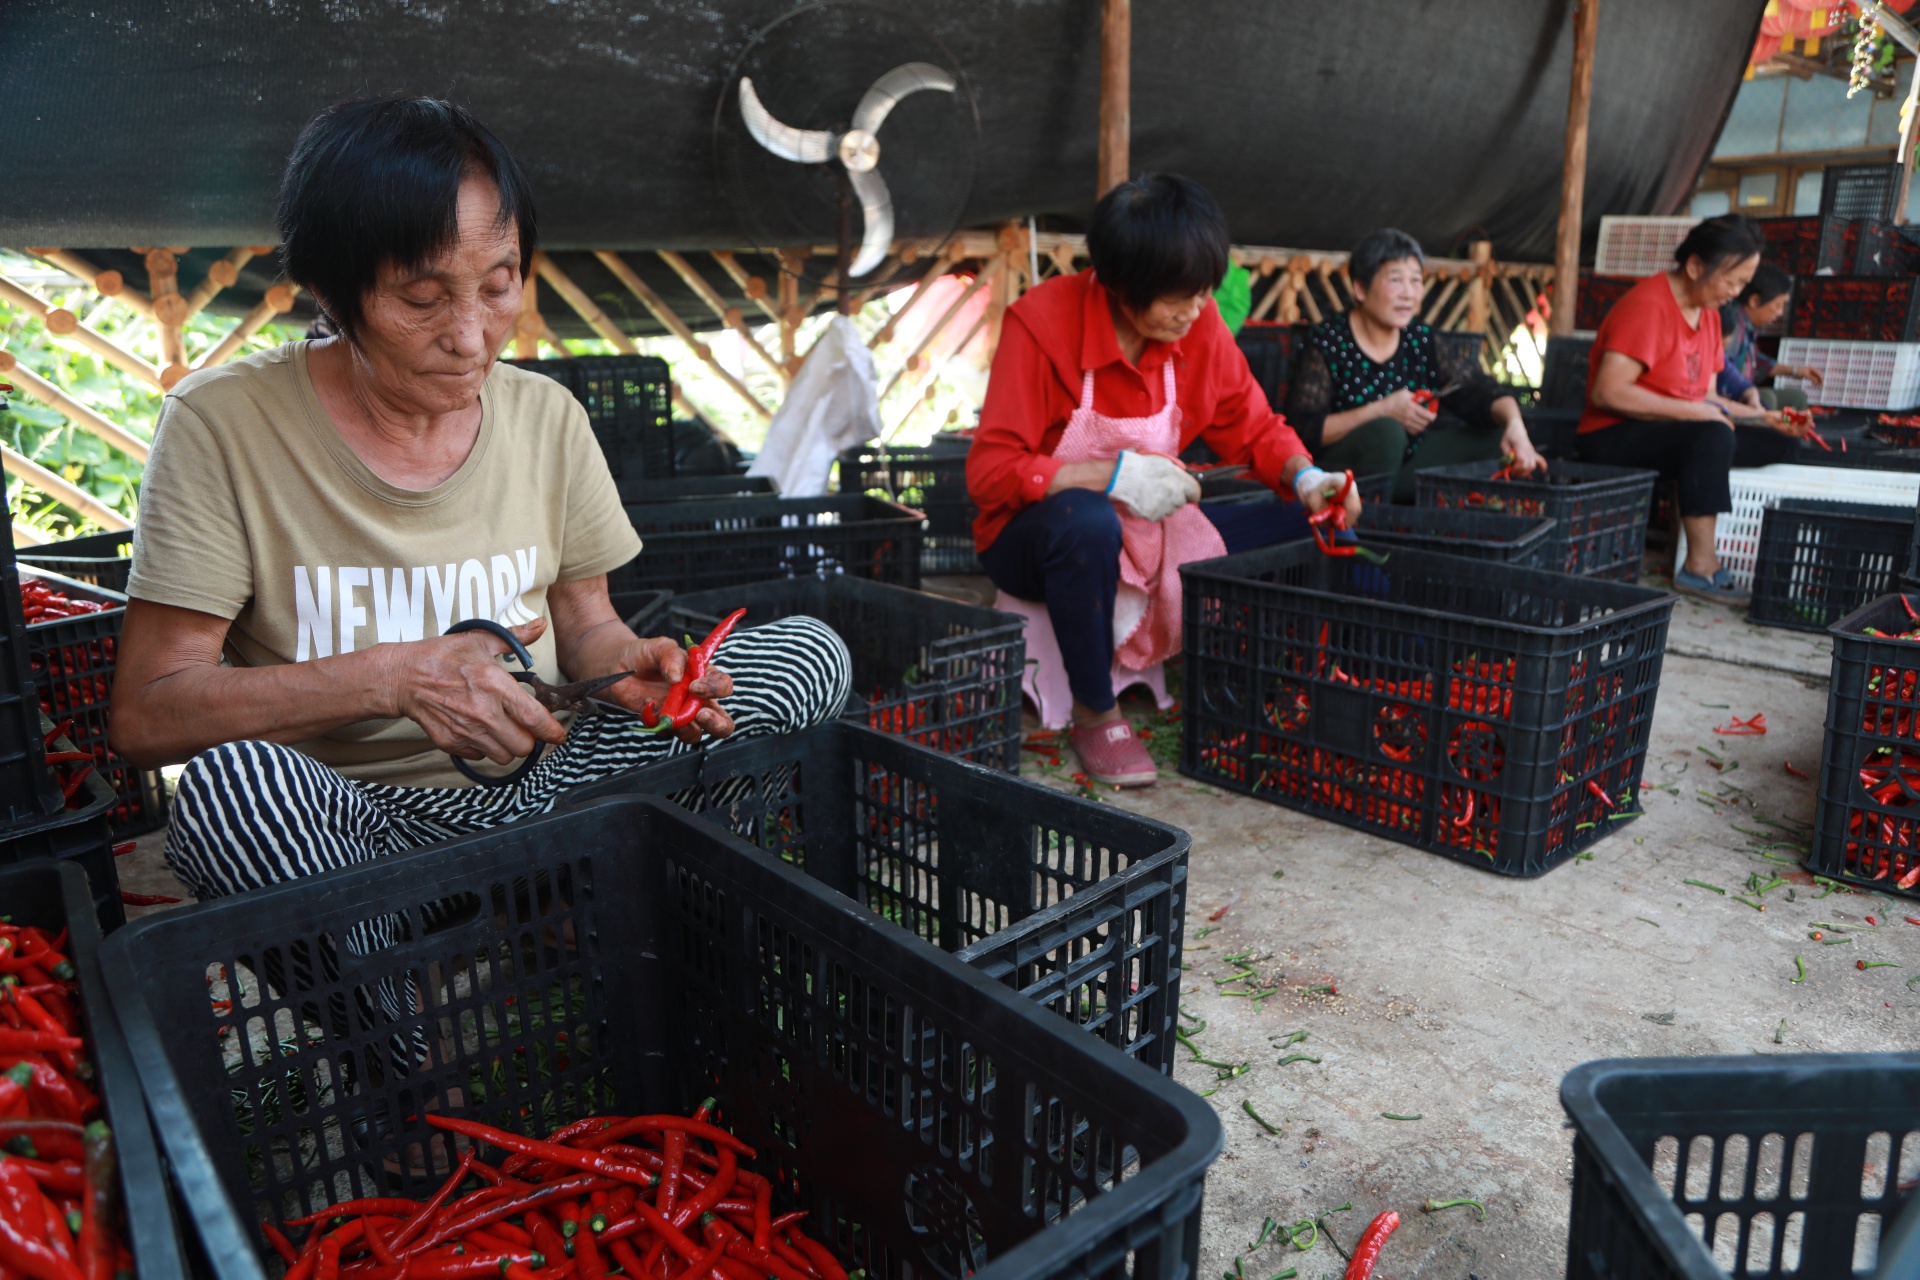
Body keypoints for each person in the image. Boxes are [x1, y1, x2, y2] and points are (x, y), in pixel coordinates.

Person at [109, 96, 852, 902]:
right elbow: (150, 715)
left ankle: (595, 912)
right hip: (359, 825)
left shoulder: (546, 415)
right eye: (423, 301)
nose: (471, 337)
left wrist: (628, 673)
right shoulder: (223, 424)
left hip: (555, 780)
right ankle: (398, 1015)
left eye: (500, 286)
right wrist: (393, 679)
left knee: (808, 655)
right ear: (330, 288)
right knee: (230, 799)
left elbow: (587, 625)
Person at [967, 173, 1359, 789]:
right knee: (1087, 520)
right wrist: (1108, 474)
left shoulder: (1198, 326)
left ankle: (1270, 680)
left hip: (1145, 531)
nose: (1196, 310)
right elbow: (989, 474)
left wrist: (1307, 476)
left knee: (1294, 517)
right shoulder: (1041, 325)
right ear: (1121, 287)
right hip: (1036, 538)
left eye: (1204, 292)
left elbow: (1253, 427)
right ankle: (1096, 711)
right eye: (1179, 297)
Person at [1575, 214, 1811, 605]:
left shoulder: (1709, 315)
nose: (1735, 294)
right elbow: (1608, 392)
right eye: (1731, 281)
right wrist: (1696, 412)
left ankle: (1736, 544)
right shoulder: (1649, 306)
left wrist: (1762, 417)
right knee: (1712, 434)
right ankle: (1700, 567)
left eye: (1742, 284)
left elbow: (1707, 395)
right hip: (1611, 433)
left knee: (1779, 443)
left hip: (1672, 430)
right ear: (1696, 266)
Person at [1284, 229, 1545, 502]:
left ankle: (1408, 513)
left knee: (1497, 434)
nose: (1409, 294)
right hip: (1344, 477)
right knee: (1387, 431)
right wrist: (1382, 411)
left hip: (1407, 466)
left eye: (1416, 280)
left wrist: (1516, 426)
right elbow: (1304, 430)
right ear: (1360, 289)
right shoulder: (1328, 342)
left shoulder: (1419, 340)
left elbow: (1480, 390)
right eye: (1395, 280)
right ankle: (1368, 515)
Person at [1718, 262, 1825, 423]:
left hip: (1744, 392)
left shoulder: (1747, 325)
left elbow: (1756, 361)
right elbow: (1723, 370)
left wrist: (1795, 371)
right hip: (1729, 397)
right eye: (1777, 305)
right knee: (1767, 398)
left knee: (1797, 398)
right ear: (1754, 301)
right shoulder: (1733, 327)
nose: (1780, 313)